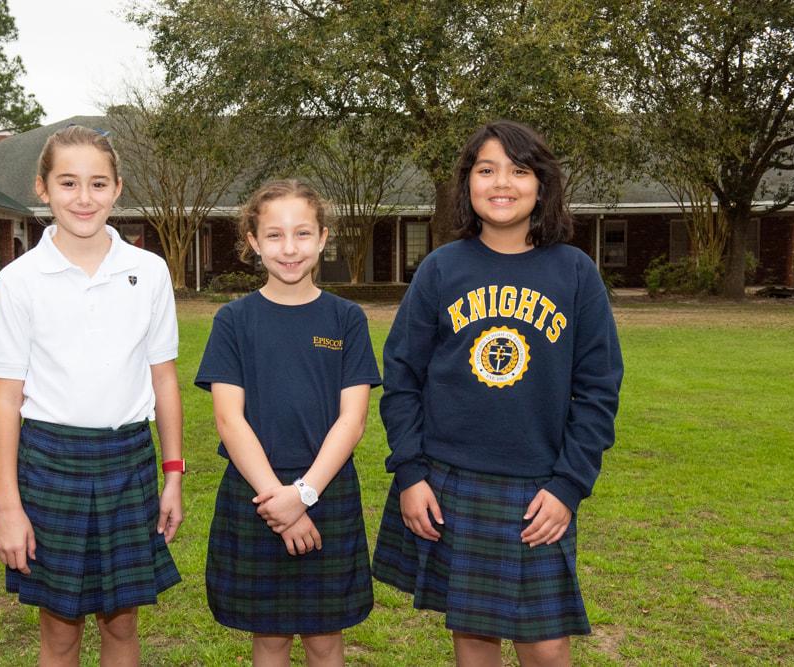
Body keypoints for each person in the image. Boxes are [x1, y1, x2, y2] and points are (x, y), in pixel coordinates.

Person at [372, 120, 623, 666]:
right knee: (473, 637)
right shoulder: (442, 269)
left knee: (548, 646)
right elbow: (402, 381)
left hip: (540, 487)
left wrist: (569, 485)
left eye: (518, 170)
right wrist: (411, 474)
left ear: (542, 186)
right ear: (468, 184)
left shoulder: (575, 273)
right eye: (486, 170)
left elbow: (599, 391)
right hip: (449, 481)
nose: (501, 183)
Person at [0, 124, 184, 666]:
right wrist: (9, 506)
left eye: (98, 184)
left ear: (118, 189)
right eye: (68, 183)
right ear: (42, 188)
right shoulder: (19, 280)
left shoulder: (149, 272)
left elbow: (164, 379)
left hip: (129, 463)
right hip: (50, 465)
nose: (83, 197)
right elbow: (7, 399)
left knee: (122, 628)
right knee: (59, 634)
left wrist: (173, 475)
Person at [194, 180, 380, 667]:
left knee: (324, 640)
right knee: (270, 639)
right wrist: (277, 499)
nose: (290, 248)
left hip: (326, 490)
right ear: (253, 242)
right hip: (256, 492)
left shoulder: (346, 319)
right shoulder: (233, 321)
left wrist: (303, 495)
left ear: (322, 238)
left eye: (302, 234)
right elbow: (229, 420)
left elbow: (352, 420)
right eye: (274, 235)